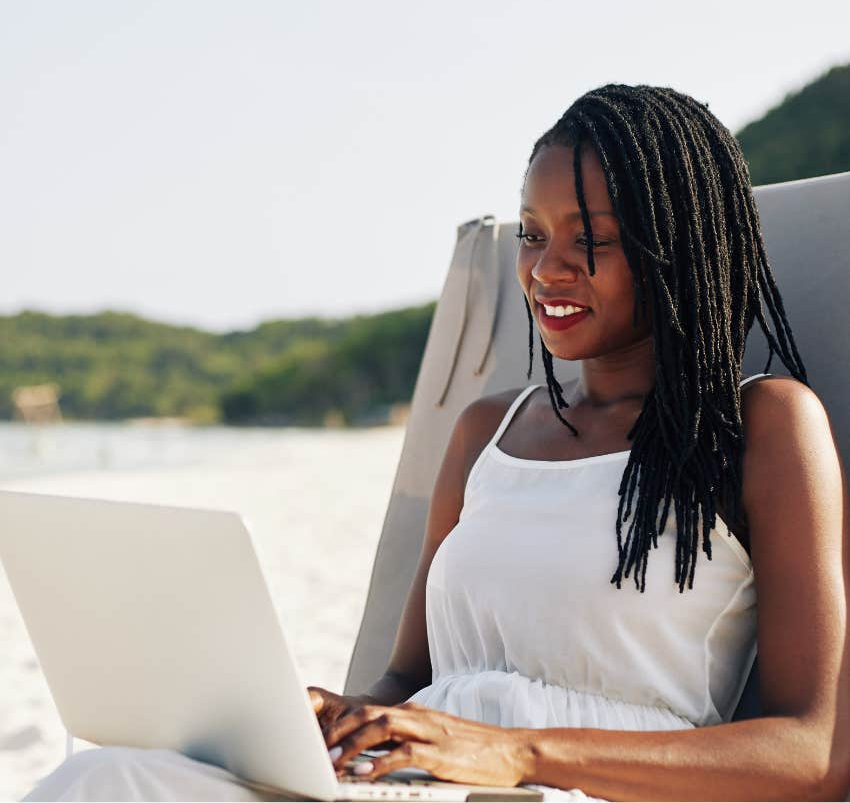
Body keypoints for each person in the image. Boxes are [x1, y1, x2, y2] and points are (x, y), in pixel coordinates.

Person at [25, 84, 849, 801]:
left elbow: (811, 757)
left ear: (679, 246)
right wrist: (329, 719)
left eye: (587, 239)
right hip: (417, 783)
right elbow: (405, 679)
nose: (545, 270)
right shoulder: (489, 430)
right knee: (107, 779)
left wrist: (516, 753)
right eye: (531, 234)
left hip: (573, 790)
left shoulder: (762, 428)